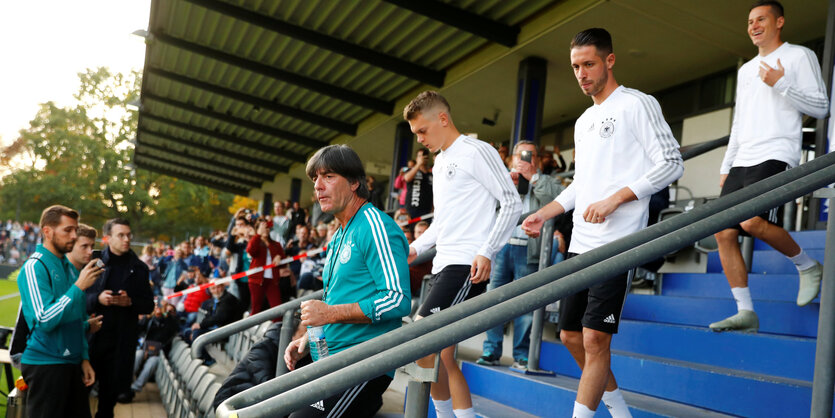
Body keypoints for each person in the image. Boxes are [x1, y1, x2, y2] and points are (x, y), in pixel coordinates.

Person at [522, 28, 683, 418]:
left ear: (609, 61)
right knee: (570, 336)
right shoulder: (582, 121)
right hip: (581, 244)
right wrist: (548, 210)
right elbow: (583, 183)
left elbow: (671, 163)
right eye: (576, 66)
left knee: (595, 338)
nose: (581, 73)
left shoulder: (637, 104)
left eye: (588, 64)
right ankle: (619, 410)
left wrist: (617, 198)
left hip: (619, 243)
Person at [709, 0, 827, 332]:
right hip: (742, 158)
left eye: (761, 19)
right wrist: (726, 163)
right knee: (723, 231)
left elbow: (820, 107)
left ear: (779, 22)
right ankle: (746, 311)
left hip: (777, 152)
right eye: (749, 22)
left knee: (751, 222)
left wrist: (781, 83)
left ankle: (807, 265)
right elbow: (739, 123)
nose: (754, 26)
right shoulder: (746, 70)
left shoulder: (799, 56)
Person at [405, 91, 522, 418]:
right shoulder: (441, 162)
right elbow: (441, 224)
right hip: (443, 266)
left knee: (419, 339)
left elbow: (512, 202)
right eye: (416, 134)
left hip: (467, 266)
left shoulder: (476, 151)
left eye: (423, 131)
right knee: (441, 356)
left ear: (443, 119)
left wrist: (487, 251)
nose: (421, 139)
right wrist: (414, 249)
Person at [284, 144, 411, 417]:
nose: (318, 186)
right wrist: (308, 337)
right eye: (315, 179)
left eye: (328, 176)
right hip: (330, 358)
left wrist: (328, 313)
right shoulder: (341, 232)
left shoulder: (375, 227)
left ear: (354, 182)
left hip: (362, 363)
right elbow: (341, 296)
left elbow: (397, 299)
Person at [478, 140, 563, 369]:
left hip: (530, 249)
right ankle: (490, 351)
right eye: (520, 155)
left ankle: (521, 355)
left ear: (536, 159)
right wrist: (506, 183)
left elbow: (557, 202)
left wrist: (534, 178)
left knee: (525, 305)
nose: (524, 159)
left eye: (529, 155)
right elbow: (488, 206)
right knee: (493, 301)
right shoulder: (502, 177)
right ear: (512, 158)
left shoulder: (547, 181)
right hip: (502, 247)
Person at [18, 205, 102, 418]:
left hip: (70, 362)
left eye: (75, 229)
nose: (74, 235)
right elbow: (45, 319)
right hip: (45, 364)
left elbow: (75, 319)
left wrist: (83, 357)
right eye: (67, 230)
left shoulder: (69, 268)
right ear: (47, 231)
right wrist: (77, 288)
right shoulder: (35, 267)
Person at [85, 218, 154, 412]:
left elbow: (148, 305)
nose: (126, 239)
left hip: (121, 344)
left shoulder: (139, 268)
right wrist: (98, 299)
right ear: (108, 238)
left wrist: (130, 302)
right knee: (80, 398)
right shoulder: (93, 262)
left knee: (108, 403)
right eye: (121, 235)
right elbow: (79, 297)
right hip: (92, 341)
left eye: (129, 235)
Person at [131, 301, 179, 395]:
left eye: (162, 307)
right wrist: (147, 316)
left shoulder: (169, 321)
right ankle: (125, 383)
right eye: (157, 307)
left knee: (153, 361)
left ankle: (135, 387)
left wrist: (166, 314)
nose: (159, 309)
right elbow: (137, 329)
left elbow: (173, 329)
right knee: (137, 355)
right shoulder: (149, 319)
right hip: (144, 349)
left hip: (159, 353)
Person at [66, 224, 104, 335]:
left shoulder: (90, 272)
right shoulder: (59, 273)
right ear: (70, 245)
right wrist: (86, 326)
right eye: (84, 246)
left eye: (92, 246)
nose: (90, 251)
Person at [246, 217, 285, 315]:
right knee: (256, 308)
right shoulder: (255, 242)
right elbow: (251, 251)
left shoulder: (276, 244)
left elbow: (284, 262)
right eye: (263, 228)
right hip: (256, 280)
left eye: (267, 228)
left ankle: (276, 328)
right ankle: (251, 327)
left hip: (272, 280)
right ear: (257, 229)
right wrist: (258, 234)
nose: (265, 230)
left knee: (277, 309)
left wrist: (279, 257)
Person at [403, 148, 434, 219]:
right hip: (412, 208)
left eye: (425, 156)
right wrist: (418, 164)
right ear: (416, 158)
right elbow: (407, 178)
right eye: (420, 156)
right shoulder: (411, 170)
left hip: (427, 210)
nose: (423, 158)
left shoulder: (431, 174)